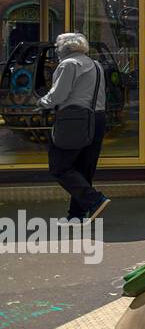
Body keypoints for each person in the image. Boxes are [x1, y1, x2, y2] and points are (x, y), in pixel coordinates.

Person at [38, 32, 110, 221]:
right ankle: (76, 215)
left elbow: (58, 95)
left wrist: (42, 102)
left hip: (74, 119)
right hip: (97, 118)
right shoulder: (95, 65)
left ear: (64, 48)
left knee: (59, 166)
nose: (56, 50)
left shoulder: (69, 64)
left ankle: (94, 200)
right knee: (84, 168)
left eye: (57, 46)